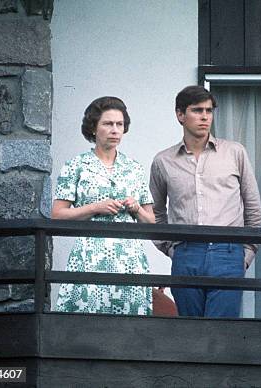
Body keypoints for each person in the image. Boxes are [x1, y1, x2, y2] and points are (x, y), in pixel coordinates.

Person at [150, 85, 261, 318]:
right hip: (186, 254)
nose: (204, 117)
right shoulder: (163, 161)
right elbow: (155, 212)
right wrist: (172, 250)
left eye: (209, 111)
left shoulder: (235, 153)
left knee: (221, 334)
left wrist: (246, 254)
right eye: (197, 110)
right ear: (180, 115)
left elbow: (253, 208)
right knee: (190, 333)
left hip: (228, 253)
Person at [52, 96, 155, 315]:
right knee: (86, 324)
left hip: (129, 260)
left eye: (119, 124)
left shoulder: (134, 168)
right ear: (93, 128)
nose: (115, 130)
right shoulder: (76, 166)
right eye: (108, 124)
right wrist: (94, 208)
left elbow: (151, 221)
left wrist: (136, 209)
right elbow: (57, 215)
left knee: (129, 328)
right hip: (89, 258)